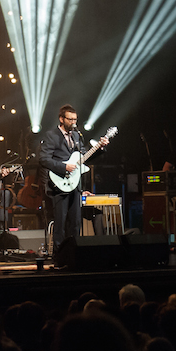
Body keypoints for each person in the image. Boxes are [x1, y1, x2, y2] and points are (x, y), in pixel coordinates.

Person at [39, 105, 108, 253]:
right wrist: (63, 167)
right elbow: (43, 159)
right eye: (70, 119)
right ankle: (59, 257)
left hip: (75, 185)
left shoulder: (77, 136)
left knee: (76, 223)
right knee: (61, 223)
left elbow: (84, 158)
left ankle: (74, 254)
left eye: (75, 120)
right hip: (59, 185)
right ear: (61, 119)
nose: (73, 123)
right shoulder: (52, 135)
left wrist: (99, 148)